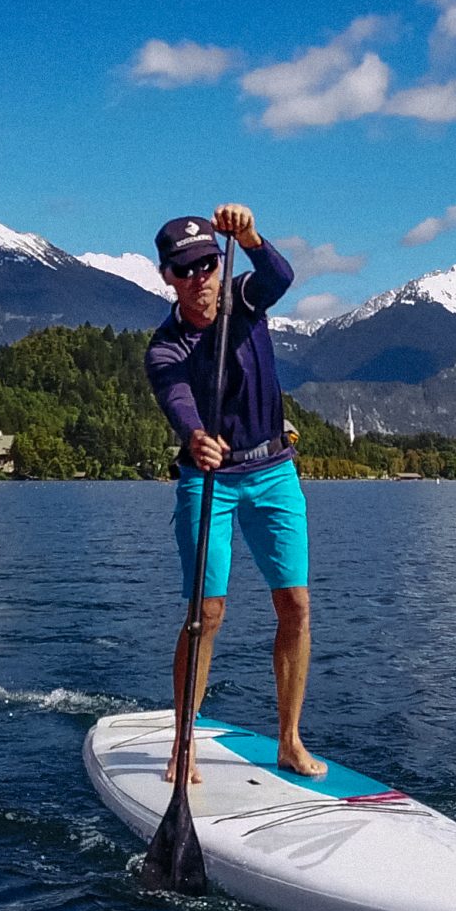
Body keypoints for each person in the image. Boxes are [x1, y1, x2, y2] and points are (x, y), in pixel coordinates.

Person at [144, 204, 325, 785]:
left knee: (295, 605)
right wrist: (195, 436)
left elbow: (280, 278)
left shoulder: (244, 298)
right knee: (207, 613)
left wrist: (248, 237)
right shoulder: (164, 347)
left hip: (273, 470)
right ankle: (184, 743)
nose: (200, 279)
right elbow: (177, 399)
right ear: (167, 276)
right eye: (186, 270)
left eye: (206, 266)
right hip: (209, 480)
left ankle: (290, 741)